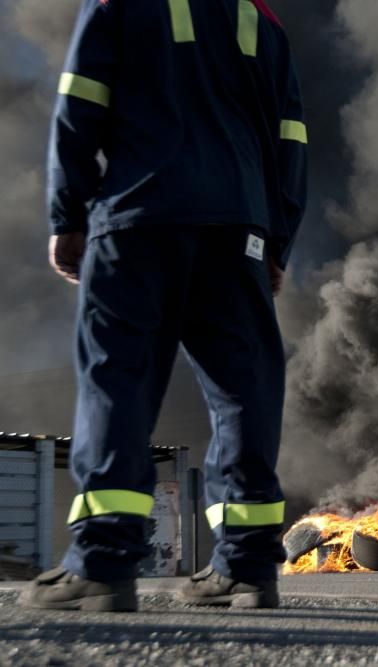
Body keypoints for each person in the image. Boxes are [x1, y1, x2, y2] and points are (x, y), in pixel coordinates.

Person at [20, 0, 307, 612]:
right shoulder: (260, 19)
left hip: (137, 221)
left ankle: (102, 564)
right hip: (239, 229)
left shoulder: (115, 5)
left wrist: (66, 214)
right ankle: (249, 567)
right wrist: (276, 238)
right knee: (244, 390)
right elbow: (291, 135)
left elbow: (79, 108)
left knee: (117, 382)